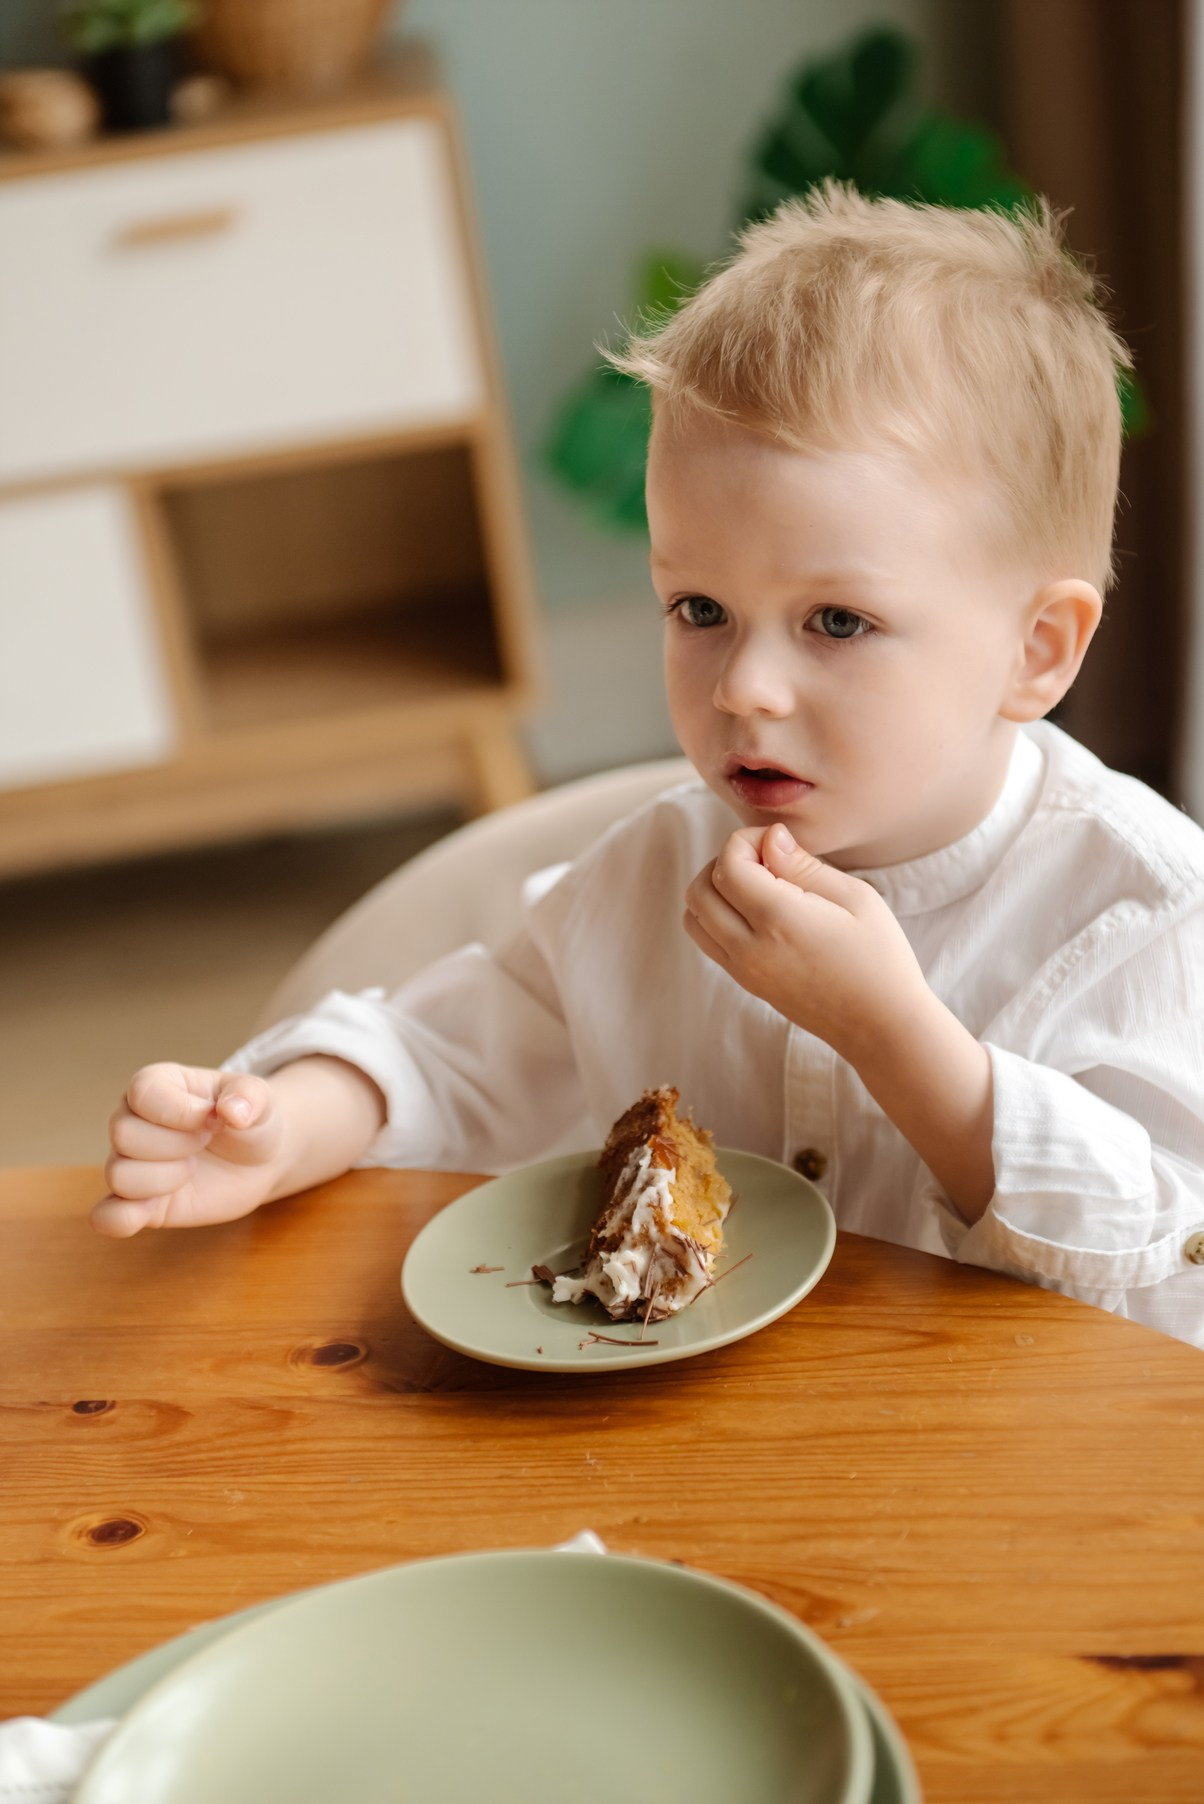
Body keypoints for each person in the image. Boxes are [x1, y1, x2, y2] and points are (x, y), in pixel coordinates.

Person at [96, 185, 1204, 1347]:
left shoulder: (1147, 915)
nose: (742, 687)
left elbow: (1171, 1275)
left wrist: (894, 1034)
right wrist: (278, 1125)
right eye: (701, 606)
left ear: (1035, 652)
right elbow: (450, 1052)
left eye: (835, 621)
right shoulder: (652, 873)